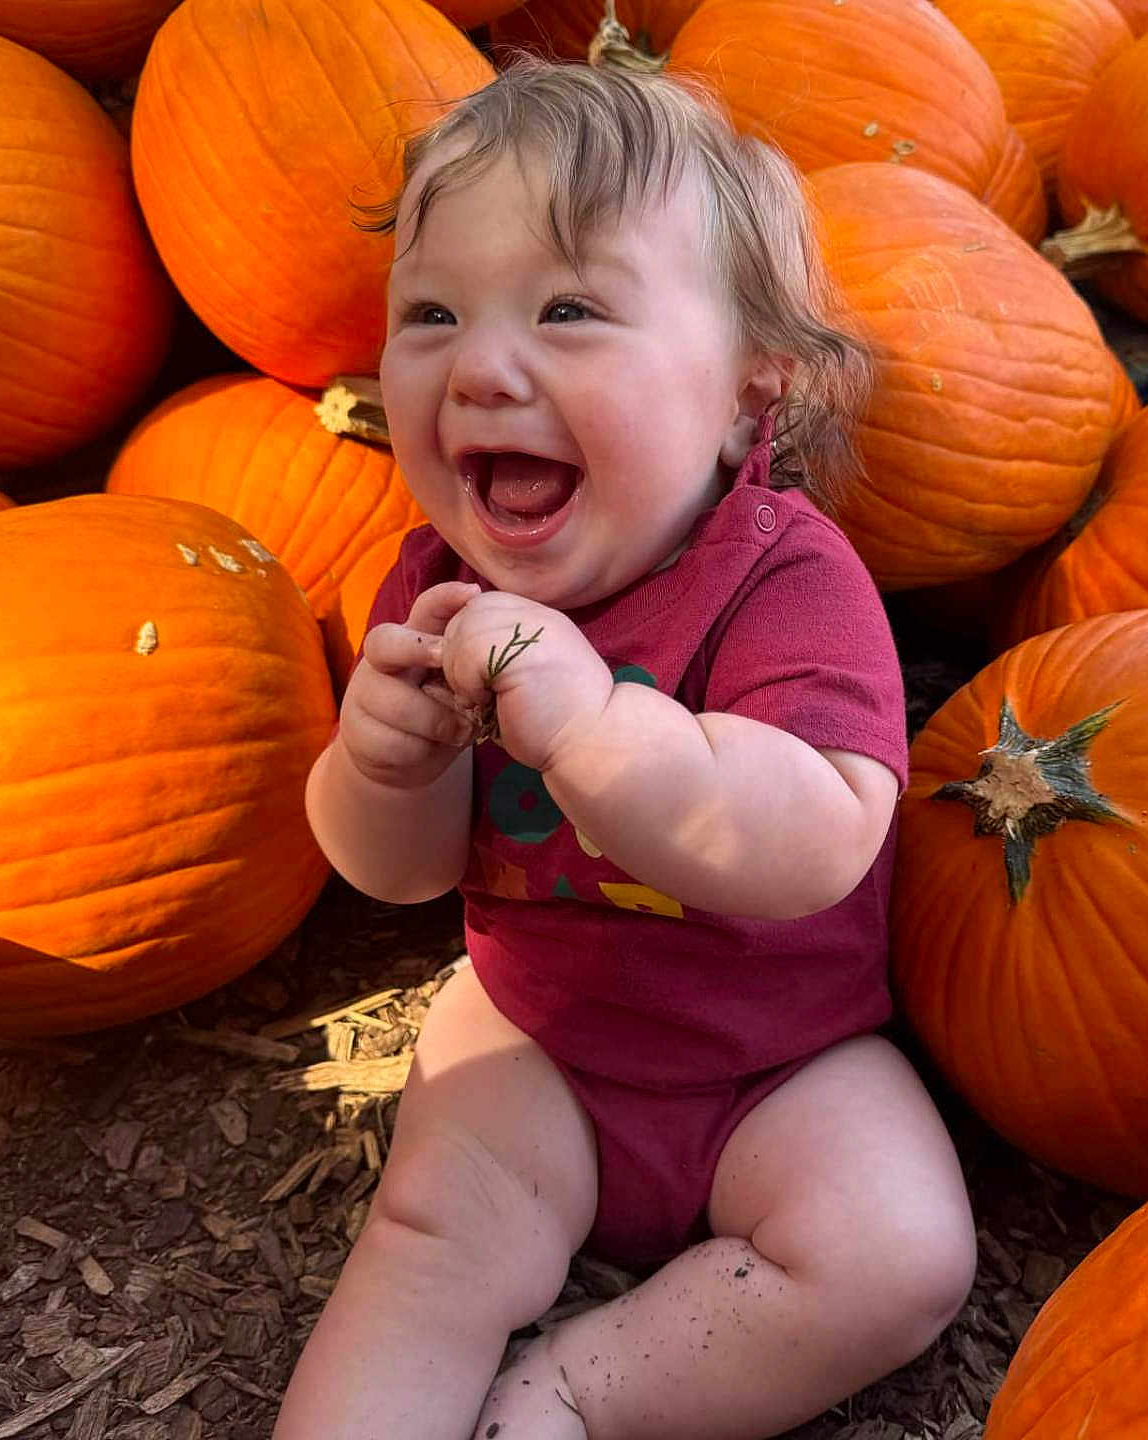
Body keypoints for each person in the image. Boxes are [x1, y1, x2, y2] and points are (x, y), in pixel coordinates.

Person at [274, 58, 975, 1440]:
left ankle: (584, 1396)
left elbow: (815, 844)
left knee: (899, 1256)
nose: (481, 366)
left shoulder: (787, 579)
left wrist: (598, 731)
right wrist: (383, 769)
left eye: (571, 310)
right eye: (431, 314)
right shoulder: (432, 577)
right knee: (427, 1242)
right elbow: (402, 878)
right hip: (541, 1031)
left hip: (783, 1058)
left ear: (747, 388)